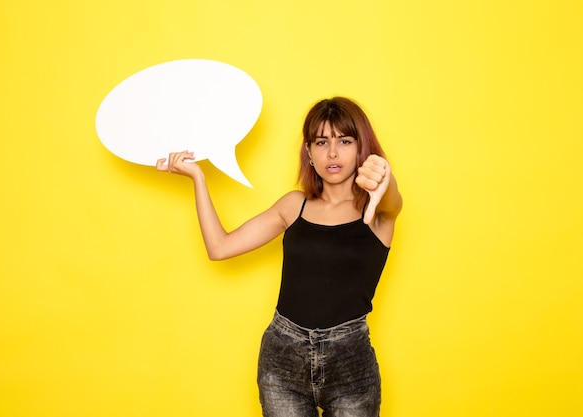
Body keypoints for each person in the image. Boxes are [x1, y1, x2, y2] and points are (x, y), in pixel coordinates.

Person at [156, 96, 402, 417]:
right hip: (282, 357)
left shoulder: (378, 212)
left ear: (361, 149)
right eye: (321, 141)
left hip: (350, 364)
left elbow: (392, 198)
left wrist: (385, 178)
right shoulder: (293, 205)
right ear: (309, 153)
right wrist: (197, 178)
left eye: (345, 141)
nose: (332, 152)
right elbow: (219, 247)